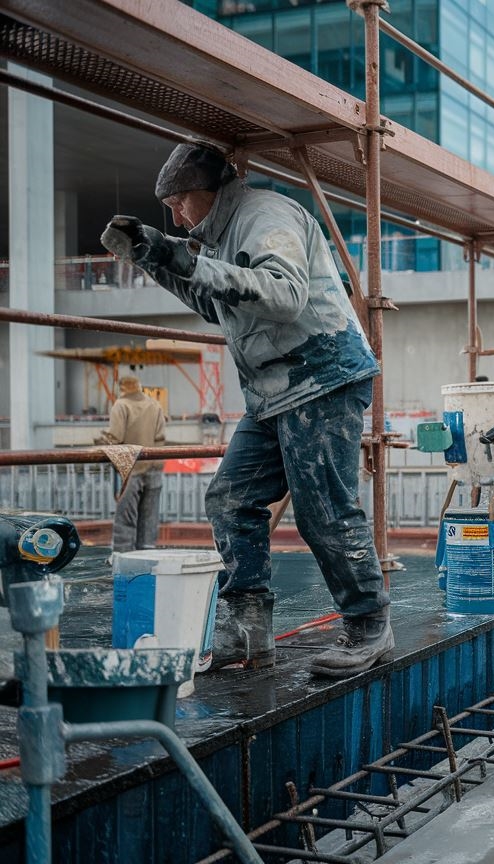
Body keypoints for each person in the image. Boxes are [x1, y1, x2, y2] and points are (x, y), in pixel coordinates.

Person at [99, 141, 392, 678]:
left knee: (325, 508)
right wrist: (156, 256)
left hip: (320, 375)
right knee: (231, 498)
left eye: (179, 203)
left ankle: (369, 624)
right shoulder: (222, 235)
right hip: (274, 390)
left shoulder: (264, 216)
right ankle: (248, 629)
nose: (176, 217)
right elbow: (215, 302)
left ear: (208, 191)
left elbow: (284, 295)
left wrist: (189, 260)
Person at [96, 374, 166, 554]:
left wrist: (99, 441)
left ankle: (123, 558)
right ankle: (148, 558)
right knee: (149, 520)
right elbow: (160, 438)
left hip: (131, 468)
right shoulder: (155, 405)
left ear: (122, 388)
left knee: (126, 519)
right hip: (154, 467)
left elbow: (115, 436)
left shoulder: (121, 405)